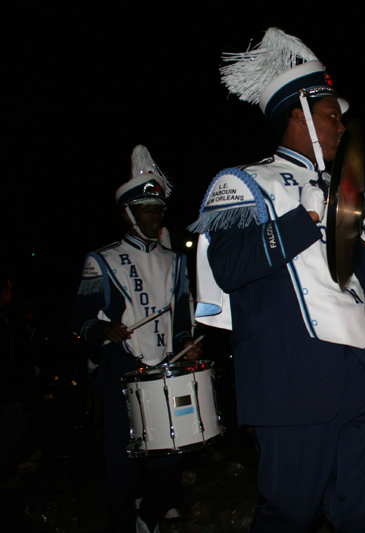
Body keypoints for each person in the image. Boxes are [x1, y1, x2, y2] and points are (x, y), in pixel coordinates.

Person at [189, 28, 365, 532]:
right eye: (332, 115)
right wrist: (302, 221)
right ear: (300, 113)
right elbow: (230, 268)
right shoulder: (242, 181)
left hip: (364, 368)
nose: (340, 126)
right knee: (291, 513)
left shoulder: (342, 189)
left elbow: (359, 286)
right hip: (293, 374)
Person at [71, 145, 201, 533]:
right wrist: (102, 330)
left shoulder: (175, 261)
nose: (156, 215)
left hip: (166, 365)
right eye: (148, 209)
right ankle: (125, 524)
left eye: (159, 209)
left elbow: (180, 316)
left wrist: (188, 341)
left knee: (172, 451)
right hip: (120, 365)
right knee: (122, 460)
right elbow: (79, 319)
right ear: (129, 214)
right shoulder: (102, 259)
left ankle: (149, 516)